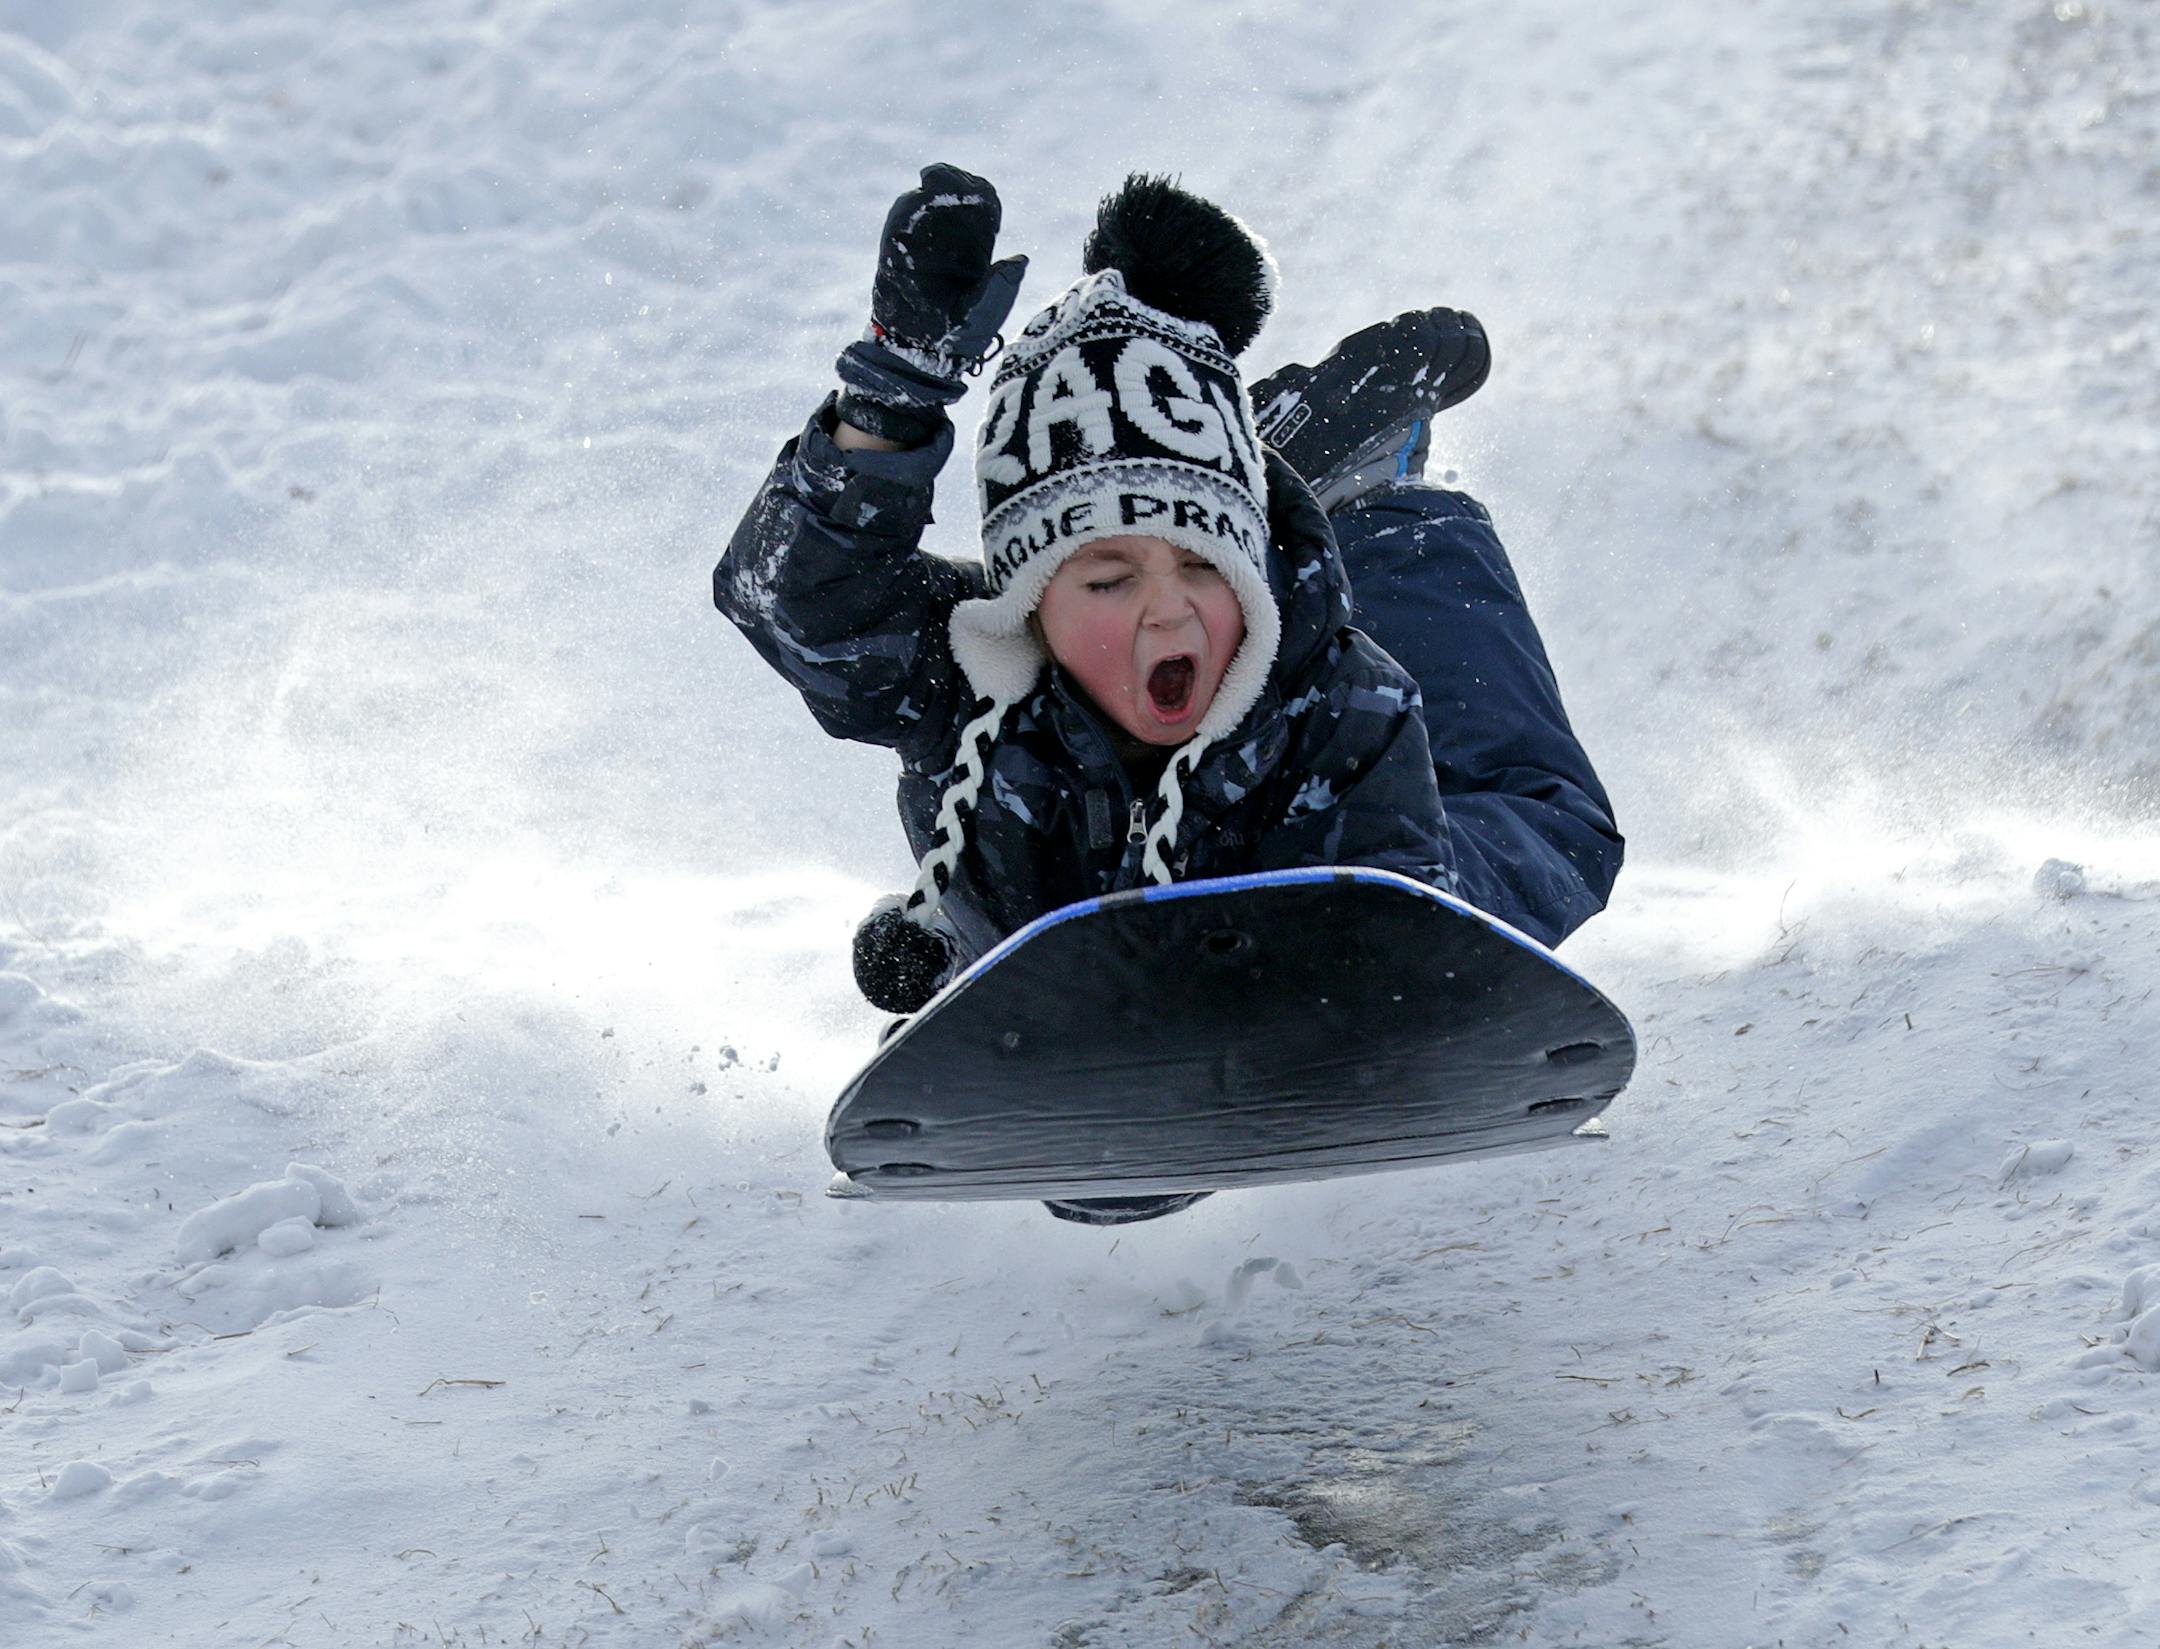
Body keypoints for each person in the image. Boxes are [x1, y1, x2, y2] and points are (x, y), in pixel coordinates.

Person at [715, 166, 1621, 1224]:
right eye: (1106, 583)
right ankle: (1269, 454)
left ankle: (1367, 485)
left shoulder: (1343, 704)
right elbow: (794, 603)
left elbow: (1382, 975)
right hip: (1066, 909)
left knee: (1546, 818)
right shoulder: (971, 677)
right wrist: (889, 395)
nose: (1165, 616)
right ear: (1031, 606)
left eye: (1202, 573)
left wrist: (1384, 999)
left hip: (1328, 836)